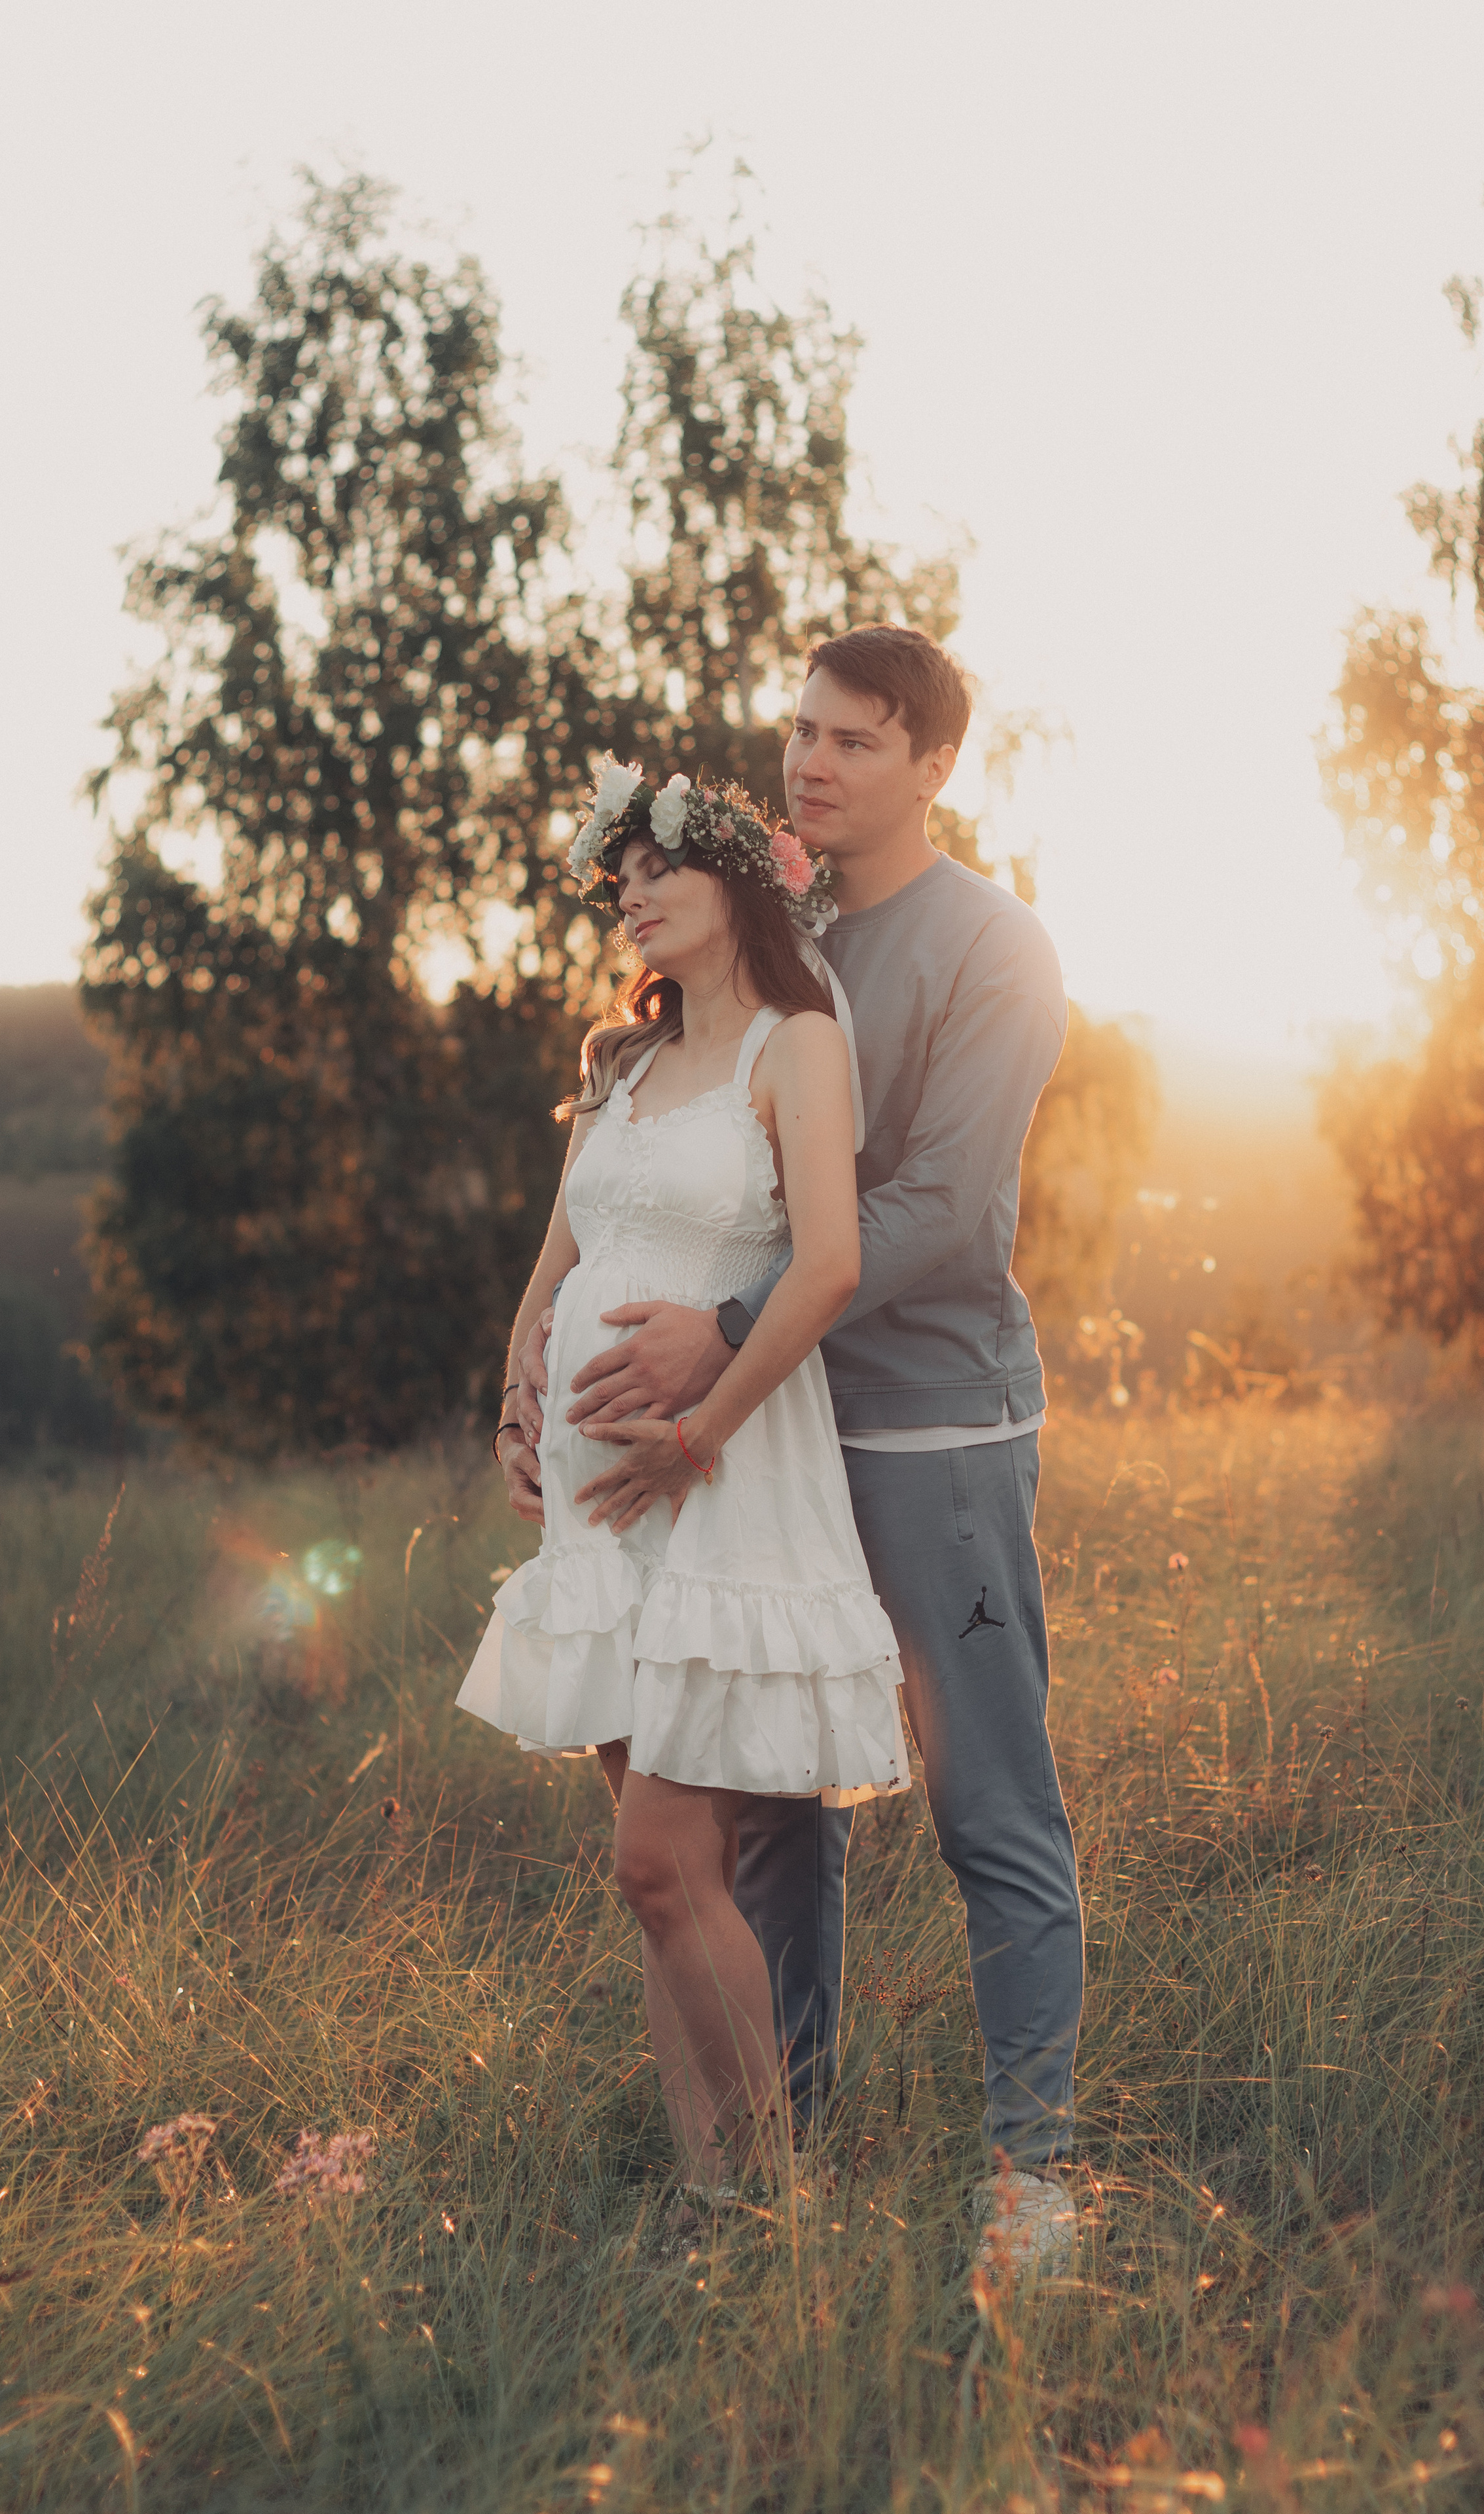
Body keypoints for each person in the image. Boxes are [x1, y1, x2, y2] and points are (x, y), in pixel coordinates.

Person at [506, 627, 1084, 2270]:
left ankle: (1031, 2183)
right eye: (801, 733)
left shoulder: (992, 948)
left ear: (932, 765)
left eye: (854, 740)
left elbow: (937, 1206)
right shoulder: (781, 934)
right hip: (759, 1438)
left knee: (990, 1808)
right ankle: (782, 2166)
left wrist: (731, 1319)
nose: (809, 764)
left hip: (925, 1423)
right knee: (772, 1816)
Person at [460, 762, 910, 2206]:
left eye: (658, 871)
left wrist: (702, 1426)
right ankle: (715, 2199)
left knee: (657, 1865)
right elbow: (561, 1254)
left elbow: (830, 1264)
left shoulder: (797, 1045)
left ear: (738, 887)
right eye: (620, 879)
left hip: (720, 1476)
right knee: (671, 1885)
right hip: (601, 1506)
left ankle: (780, 2198)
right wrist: (520, 1398)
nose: (633, 897)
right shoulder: (617, 1065)